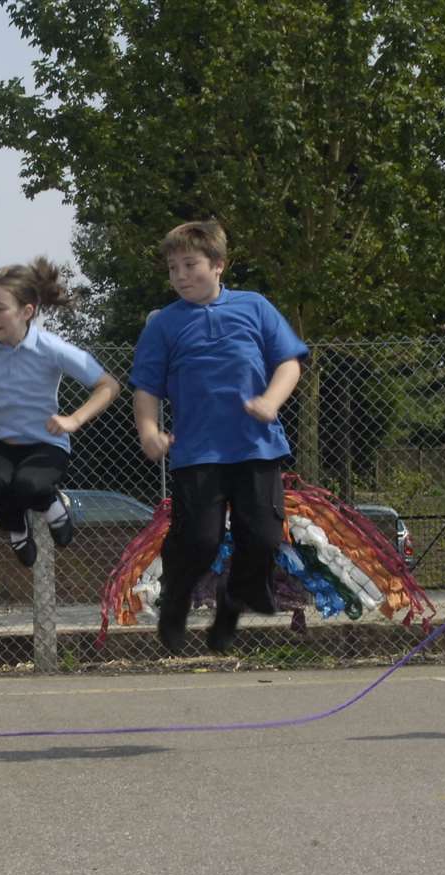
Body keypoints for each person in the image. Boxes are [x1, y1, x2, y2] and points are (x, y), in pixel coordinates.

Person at [131, 220, 308, 654]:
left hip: (256, 446)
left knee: (264, 537)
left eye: (190, 265)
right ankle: (175, 602)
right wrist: (149, 431)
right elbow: (146, 388)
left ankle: (231, 605)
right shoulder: (164, 325)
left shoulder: (255, 307)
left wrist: (270, 401)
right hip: (198, 453)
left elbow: (290, 364)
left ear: (218, 265)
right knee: (200, 539)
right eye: (172, 269)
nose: (180, 276)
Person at [0, 258, 120, 566]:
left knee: (30, 485)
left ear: (26, 311)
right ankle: (15, 525)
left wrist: (74, 420)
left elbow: (108, 385)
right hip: (1, 446)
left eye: (0, 308)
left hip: (46, 446)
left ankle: (50, 503)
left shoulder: (51, 348)